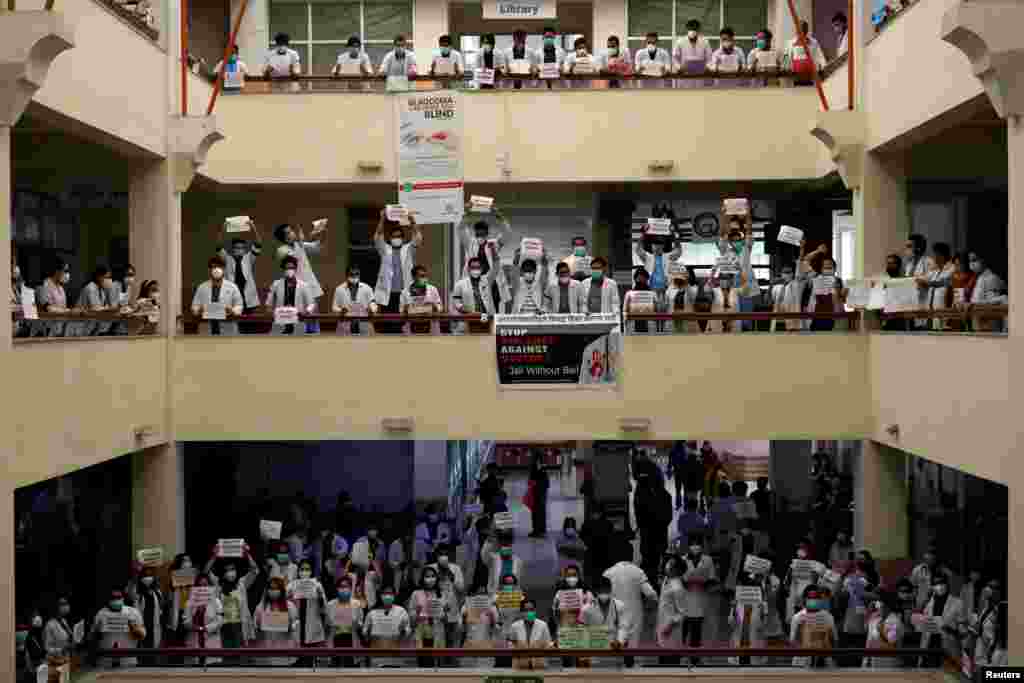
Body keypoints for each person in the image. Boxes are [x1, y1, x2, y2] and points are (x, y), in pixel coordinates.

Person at [373, 208, 423, 332]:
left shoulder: (408, 249)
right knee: (388, 325)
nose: (397, 238)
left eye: (399, 236)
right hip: (388, 294)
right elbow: (378, 237)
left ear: (403, 238)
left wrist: (412, 221)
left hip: (404, 292)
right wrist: (382, 218)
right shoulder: (385, 249)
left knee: (404, 324)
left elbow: (418, 238)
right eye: (394, 236)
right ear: (390, 238)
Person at [603, 541, 658, 651]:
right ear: (631, 555)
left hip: (614, 616)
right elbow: (651, 594)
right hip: (635, 616)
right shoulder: (638, 572)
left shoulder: (608, 573)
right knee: (632, 649)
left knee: (615, 648)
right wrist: (651, 605)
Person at [273, 220, 326, 327]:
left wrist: (323, 232)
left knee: (314, 321)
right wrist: (302, 241)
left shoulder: (299, 244)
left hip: (311, 288)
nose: (292, 233)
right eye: (288, 232)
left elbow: (319, 246)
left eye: (291, 230)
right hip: (296, 290)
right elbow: (293, 260)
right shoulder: (281, 250)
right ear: (284, 238)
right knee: (298, 323)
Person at [458, 209, 510, 313]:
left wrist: (499, 216)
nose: (480, 237)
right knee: (474, 308)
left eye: (482, 234)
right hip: (474, 282)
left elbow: (506, 233)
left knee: (493, 311)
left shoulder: (493, 244)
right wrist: (467, 213)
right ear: (475, 233)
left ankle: (493, 327)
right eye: (478, 234)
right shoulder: (470, 243)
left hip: (492, 283)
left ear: (487, 233)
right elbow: (461, 229)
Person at [207, 549, 260, 650]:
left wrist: (247, 554)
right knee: (225, 651)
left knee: (240, 652)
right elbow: (206, 571)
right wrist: (214, 555)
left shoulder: (242, 583)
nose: (230, 572)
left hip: (239, 624)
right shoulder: (218, 583)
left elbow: (255, 570)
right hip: (224, 624)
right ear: (223, 572)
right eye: (227, 570)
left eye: (232, 569)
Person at [717, 209, 757, 330]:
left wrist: (748, 214)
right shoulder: (725, 249)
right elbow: (722, 233)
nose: (735, 239)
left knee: (746, 318)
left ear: (741, 237)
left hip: (746, 284)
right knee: (732, 315)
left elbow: (749, 230)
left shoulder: (746, 247)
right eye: (732, 237)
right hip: (731, 284)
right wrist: (724, 217)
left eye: (737, 237)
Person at [917, 573, 964, 667]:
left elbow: (963, 631)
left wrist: (948, 629)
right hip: (929, 648)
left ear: (947, 584)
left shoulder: (958, 603)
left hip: (947, 649)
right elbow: (922, 624)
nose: (939, 586)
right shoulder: (929, 603)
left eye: (942, 583)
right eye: (936, 583)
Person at [580, 577, 628, 667]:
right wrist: (583, 655)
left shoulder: (619, 605)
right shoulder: (586, 609)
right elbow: (582, 630)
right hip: (594, 649)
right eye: (601, 590)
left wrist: (620, 641)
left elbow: (623, 626)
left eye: (606, 590)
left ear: (610, 589)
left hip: (615, 647)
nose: (604, 593)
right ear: (596, 591)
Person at [91, 589, 145, 668]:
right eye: (113, 598)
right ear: (109, 600)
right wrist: (98, 631)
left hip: (128, 660)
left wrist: (135, 629)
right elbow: (92, 638)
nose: (116, 600)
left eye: (118, 597)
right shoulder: (100, 614)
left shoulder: (133, 612)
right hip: (105, 661)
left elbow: (142, 636)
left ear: (123, 599)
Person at [191, 256, 243, 335]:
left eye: (219, 267)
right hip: (207, 328)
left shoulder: (233, 287)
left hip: (227, 328)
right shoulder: (202, 287)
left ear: (224, 269)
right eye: (213, 267)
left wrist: (232, 310)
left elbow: (239, 306)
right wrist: (198, 310)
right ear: (209, 270)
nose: (216, 270)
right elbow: (194, 306)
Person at [266, 255, 317, 335]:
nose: (289, 270)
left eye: (292, 268)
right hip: (280, 321)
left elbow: (311, 304)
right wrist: (273, 312)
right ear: (283, 269)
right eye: (287, 268)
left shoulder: (304, 285)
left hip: (298, 321)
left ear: (295, 269)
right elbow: (268, 304)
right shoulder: (276, 284)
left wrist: (306, 312)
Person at [254, 576, 299, 666]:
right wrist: (258, 626)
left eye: (276, 588)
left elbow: (296, 625)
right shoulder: (260, 607)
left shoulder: (290, 606)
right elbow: (255, 627)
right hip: (266, 650)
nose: (273, 591)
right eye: (271, 588)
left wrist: (290, 626)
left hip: (285, 650)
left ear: (281, 590)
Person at [218, 223, 262, 312]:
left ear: (245, 249)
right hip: (232, 295)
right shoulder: (227, 258)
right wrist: (223, 229)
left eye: (241, 248)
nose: (239, 249)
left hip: (248, 297)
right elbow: (218, 246)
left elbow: (258, 244)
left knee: (249, 323)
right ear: (232, 249)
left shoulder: (249, 258)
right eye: (236, 247)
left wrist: (253, 228)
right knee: (233, 321)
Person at [790, 585, 837, 668]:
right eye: (810, 598)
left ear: (819, 600)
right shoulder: (798, 617)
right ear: (805, 599)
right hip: (802, 662)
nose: (813, 600)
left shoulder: (828, 617)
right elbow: (793, 642)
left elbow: (834, 640)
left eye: (815, 598)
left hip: (824, 662)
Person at [408, 566, 448, 664]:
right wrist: (416, 613)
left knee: (436, 665)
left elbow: (445, 620)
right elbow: (411, 617)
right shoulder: (416, 594)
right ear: (422, 578)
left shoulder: (441, 594)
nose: (430, 579)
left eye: (433, 576)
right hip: (421, 632)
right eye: (427, 576)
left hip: (437, 631)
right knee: (423, 663)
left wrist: (445, 613)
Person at [364, 585, 411, 667]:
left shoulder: (401, 611)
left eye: (390, 593)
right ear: (380, 595)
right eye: (385, 593)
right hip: (377, 657)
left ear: (394, 595)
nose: (387, 596)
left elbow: (408, 633)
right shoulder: (372, 613)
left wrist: (403, 631)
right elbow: (365, 636)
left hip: (395, 657)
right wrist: (368, 632)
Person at [183, 573, 224, 664]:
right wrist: (197, 612)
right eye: (199, 585)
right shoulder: (189, 602)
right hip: (194, 639)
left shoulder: (216, 601)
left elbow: (220, 621)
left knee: (211, 670)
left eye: (205, 585)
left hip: (211, 639)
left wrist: (206, 628)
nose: (202, 588)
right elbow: (185, 622)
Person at [326, 575, 364, 668]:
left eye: (346, 586)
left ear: (350, 588)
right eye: (341, 587)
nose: (343, 589)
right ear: (337, 589)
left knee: (352, 671)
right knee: (334, 671)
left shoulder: (357, 604)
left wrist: (357, 624)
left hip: (351, 639)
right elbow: (326, 624)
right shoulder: (330, 604)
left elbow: (361, 623)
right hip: (335, 640)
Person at [460, 583, 500, 667]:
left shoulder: (492, 608)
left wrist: (492, 617)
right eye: (478, 593)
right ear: (473, 594)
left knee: (485, 673)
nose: (481, 596)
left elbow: (496, 628)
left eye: (483, 593)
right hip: (469, 645)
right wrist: (464, 618)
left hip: (486, 646)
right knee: (468, 674)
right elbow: (461, 629)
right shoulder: (466, 607)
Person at [125, 565, 164, 653]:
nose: (148, 578)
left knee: (153, 647)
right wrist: (134, 577)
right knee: (141, 646)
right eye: (145, 576)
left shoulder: (157, 592)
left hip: (154, 624)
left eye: (150, 576)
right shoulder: (136, 590)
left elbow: (161, 606)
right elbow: (130, 594)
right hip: (140, 623)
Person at [785, 540, 825, 622]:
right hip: (796, 602)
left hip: (810, 601)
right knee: (796, 624)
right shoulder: (793, 564)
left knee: (810, 622)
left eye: (803, 548)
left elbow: (821, 584)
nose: (800, 550)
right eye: (799, 548)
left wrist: (815, 576)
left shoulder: (817, 565)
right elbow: (787, 584)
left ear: (809, 549)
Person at [508, 596, 552, 670]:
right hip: (520, 665)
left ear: (535, 610)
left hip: (539, 665)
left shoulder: (543, 625)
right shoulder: (515, 626)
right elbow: (511, 644)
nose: (529, 612)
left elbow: (548, 644)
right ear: (522, 612)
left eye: (531, 609)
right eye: (526, 610)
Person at [656, 554, 686, 663]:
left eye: (670, 564)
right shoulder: (666, 580)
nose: (667, 565)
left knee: (671, 664)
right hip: (662, 626)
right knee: (662, 662)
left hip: (670, 630)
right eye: (668, 563)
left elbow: (682, 613)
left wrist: (669, 626)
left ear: (676, 569)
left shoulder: (677, 588)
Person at [332, 264, 376, 336]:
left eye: (357, 274)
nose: (354, 276)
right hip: (345, 325)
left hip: (363, 324)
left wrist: (372, 309)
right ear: (346, 275)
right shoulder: (339, 289)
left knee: (365, 346)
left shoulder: (367, 288)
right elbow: (334, 307)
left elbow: (373, 304)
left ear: (359, 275)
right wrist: (341, 310)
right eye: (351, 274)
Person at [863, 594, 905, 669]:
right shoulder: (874, 620)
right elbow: (869, 641)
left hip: (889, 662)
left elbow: (891, 640)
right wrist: (866, 660)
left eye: (881, 607)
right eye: (879, 607)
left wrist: (880, 630)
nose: (879, 609)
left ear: (888, 608)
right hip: (874, 661)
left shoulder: (895, 622)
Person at [400, 264, 443, 334]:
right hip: (412, 327)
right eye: (422, 276)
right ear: (413, 277)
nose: (425, 278)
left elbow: (440, 307)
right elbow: (401, 310)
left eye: (425, 276)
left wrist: (434, 305)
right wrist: (406, 308)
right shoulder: (405, 292)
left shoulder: (433, 289)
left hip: (430, 327)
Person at [351, 524, 386, 608]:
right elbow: (354, 558)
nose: (373, 532)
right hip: (360, 571)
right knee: (358, 595)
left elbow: (381, 560)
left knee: (371, 597)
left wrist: (379, 574)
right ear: (367, 531)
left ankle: (370, 608)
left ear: (377, 532)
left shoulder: (380, 544)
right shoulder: (360, 541)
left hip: (373, 572)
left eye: (374, 530)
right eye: (371, 530)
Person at [580, 506, 615, 585]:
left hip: (593, 556)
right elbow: (611, 539)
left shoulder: (587, 524)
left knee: (593, 579)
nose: (595, 515)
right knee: (603, 579)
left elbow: (582, 538)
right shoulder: (607, 524)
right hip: (604, 556)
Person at [528, 452, 550, 538]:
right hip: (538, 492)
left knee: (538, 512)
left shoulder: (539, 468)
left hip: (539, 493)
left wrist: (535, 484)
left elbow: (543, 481)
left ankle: (538, 530)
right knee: (538, 512)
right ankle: (539, 530)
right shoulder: (539, 467)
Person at [23, 609, 46, 681]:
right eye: (37, 621)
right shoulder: (30, 637)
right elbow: (29, 655)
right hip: (36, 667)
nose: (39, 621)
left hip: (41, 666)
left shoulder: (40, 634)